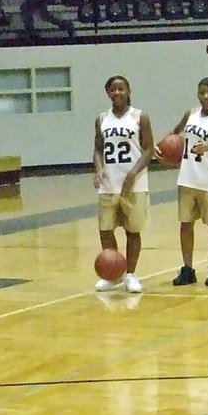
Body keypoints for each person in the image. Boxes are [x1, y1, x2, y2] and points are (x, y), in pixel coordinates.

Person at [92, 75, 154, 293]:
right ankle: (113, 273)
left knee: (132, 231)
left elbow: (149, 149)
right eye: (112, 89)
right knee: (106, 230)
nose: (116, 92)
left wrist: (134, 172)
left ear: (128, 91)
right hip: (108, 184)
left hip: (134, 184)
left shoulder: (139, 117)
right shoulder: (101, 119)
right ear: (108, 93)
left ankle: (131, 274)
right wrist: (99, 169)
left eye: (121, 88)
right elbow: (99, 148)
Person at [169, 77, 208, 287]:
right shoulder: (191, 114)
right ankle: (188, 269)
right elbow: (175, 135)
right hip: (187, 177)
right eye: (202, 92)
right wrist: (163, 149)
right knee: (185, 225)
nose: (206, 96)